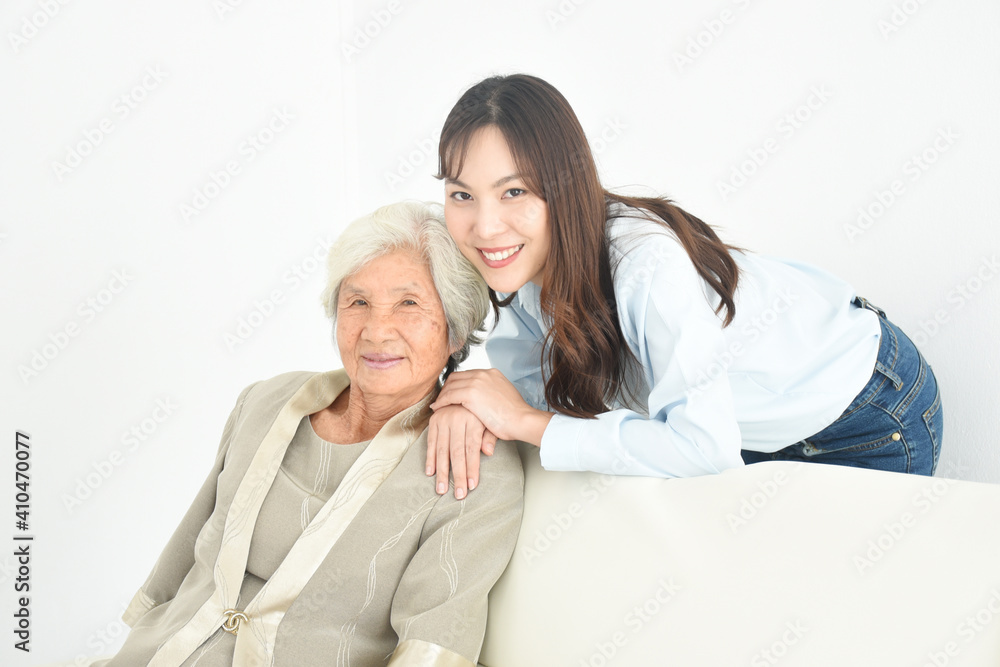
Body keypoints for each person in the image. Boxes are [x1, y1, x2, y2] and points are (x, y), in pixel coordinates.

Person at [425, 73, 942, 500]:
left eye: (513, 191)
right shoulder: (515, 262)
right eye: (462, 195)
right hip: (745, 429)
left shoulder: (644, 264)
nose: (485, 227)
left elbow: (700, 448)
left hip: (867, 410)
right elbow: (537, 404)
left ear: (564, 185)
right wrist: (467, 411)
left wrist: (522, 420)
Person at [95, 202, 523, 667]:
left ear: (456, 330)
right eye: (357, 302)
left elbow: (432, 644)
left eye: (409, 303)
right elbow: (190, 548)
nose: (377, 331)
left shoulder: (472, 465)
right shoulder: (266, 401)